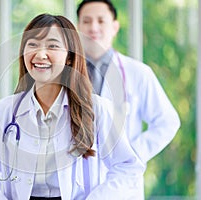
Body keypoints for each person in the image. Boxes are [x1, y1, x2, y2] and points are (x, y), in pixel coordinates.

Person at [0, 13, 145, 200]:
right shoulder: (6, 111)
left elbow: (127, 167)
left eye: (52, 46)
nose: (40, 54)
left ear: (69, 57)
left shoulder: (97, 109)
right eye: (33, 44)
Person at [77, 0, 181, 196]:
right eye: (87, 21)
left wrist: (133, 153)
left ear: (115, 27)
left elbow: (168, 122)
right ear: (78, 27)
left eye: (101, 21)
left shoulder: (138, 73)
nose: (93, 27)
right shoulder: (65, 75)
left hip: (121, 188)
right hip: (79, 185)